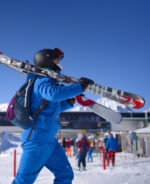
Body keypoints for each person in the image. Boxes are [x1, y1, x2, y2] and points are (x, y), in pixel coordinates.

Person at [12, 48, 94, 184]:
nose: (59, 63)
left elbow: (52, 108)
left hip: (49, 141)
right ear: (47, 60)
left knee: (65, 175)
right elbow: (54, 94)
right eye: (57, 60)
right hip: (36, 140)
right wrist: (79, 87)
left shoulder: (48, 81)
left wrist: (69, 102)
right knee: (23, 181)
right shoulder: (42, 80)